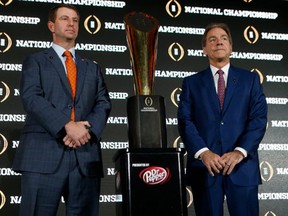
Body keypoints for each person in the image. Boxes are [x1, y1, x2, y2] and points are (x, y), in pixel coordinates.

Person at [13, 4, 112, 216]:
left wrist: (85, 129)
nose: (71, 24)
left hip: (84, 157)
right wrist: (66, 126)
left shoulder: (92, 67)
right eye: (64, 19)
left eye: (75, 20)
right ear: (51, 25)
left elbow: (103, 103)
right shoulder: (35, 61)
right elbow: (32, 98)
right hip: (43, 155)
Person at [177, 23, 267, 216]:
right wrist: (203, 152)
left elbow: (258, 119)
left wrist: (239, 152)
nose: (218, 42)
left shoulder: (250, 80)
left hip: (242, 168)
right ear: (204, 49)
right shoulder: (191, 83)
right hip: (206, 169)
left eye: (223, 38)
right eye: (212, 39)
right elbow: (185, 120)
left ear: (231, 47)